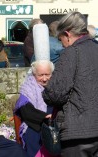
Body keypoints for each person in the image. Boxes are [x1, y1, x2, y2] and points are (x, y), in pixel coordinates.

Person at [42, 11, 98, 157]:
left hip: (77, 133)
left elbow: (55, 94)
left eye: (61, 40)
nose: (63, 45)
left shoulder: (72, 52)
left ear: (67, 34)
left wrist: (46, 92)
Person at [14, 60, 55, 157]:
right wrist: (45, 117)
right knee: (33, 137)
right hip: (35, 123)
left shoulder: (57, 85)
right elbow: (26, 111)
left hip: (55, 121)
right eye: (40, 75)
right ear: (34, 74)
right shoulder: (28, 88)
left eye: (47, 75)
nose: (44, 79)